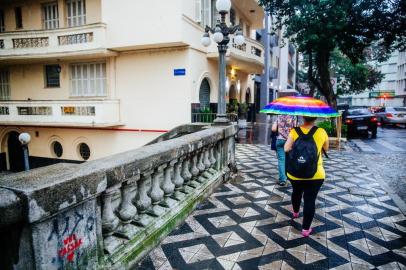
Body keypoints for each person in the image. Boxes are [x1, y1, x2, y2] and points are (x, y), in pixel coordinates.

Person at [284, 116, 329, 237]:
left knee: (296, 192)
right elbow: (326, 148)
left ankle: (295, 212)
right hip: (316, 174)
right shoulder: (321, 132)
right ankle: (305, 229)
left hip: (295, 172)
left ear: (303, 117)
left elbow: (286, 148)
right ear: (315, 118)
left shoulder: (294, 131)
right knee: (310, 200)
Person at [271, 115, 297, 186]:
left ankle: (282, 180)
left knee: (281, 160)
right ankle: (289, 176)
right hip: (289, 140)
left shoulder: (279, 116)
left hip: (280, 140)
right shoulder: (293, 116)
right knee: (290, 159)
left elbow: (273, 129)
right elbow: (294, 129)